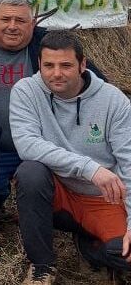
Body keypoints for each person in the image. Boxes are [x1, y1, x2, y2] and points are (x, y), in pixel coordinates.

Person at [11, 30, 131, 284]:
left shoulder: (114, 101)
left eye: (66, 65)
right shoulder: (26, 91)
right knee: (30, 172)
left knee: (126, 253)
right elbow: (27, 144)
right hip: (58, 193)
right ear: (39, 64)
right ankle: (42, 266)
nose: (56, 73)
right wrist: (89, 168)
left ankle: (91, 248)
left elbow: (129, 162)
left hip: (103, 199)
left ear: (83, 64)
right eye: (49, 65)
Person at [0, 0, 106, 206]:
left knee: (44, 193)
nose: (12, 26)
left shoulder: (51, 46)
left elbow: (97, 86)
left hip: (43, 147)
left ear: (33, 24)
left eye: (21, 21)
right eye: (5, 19)